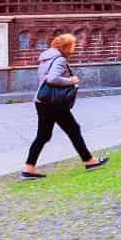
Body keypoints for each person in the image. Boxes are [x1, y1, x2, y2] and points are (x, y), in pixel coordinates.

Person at [20, 34, 108, 179]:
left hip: (42, 101)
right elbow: (52, 78)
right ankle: (89, 161)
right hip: (53, 103)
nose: (73, 49)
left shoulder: (45, 58)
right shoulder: (59, 59)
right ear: (66, 47)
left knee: (44, 135)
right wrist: (71, 80)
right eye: (72, 46)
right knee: (72, 129)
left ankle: (29, 168)